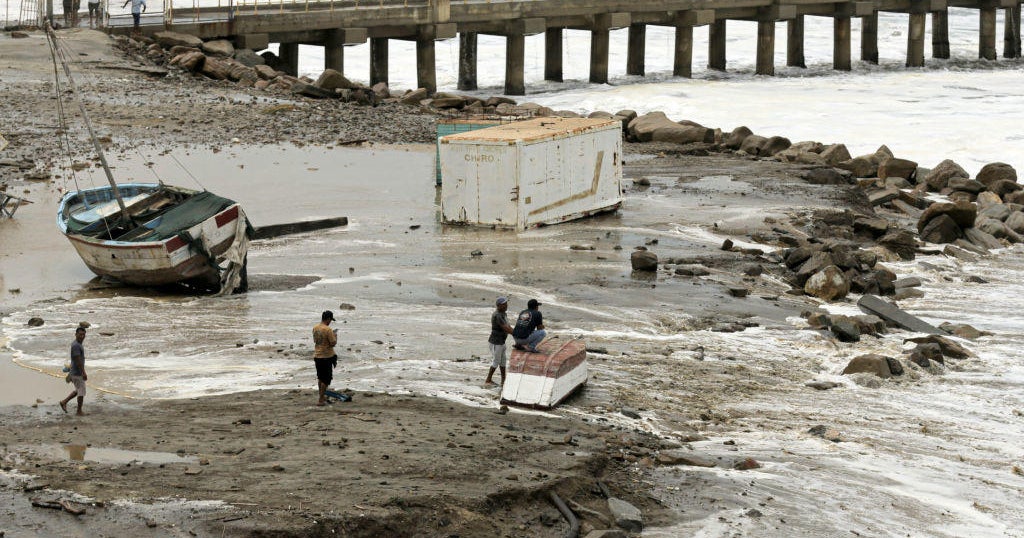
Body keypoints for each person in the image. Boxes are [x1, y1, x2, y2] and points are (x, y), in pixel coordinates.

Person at [59, 327, 88, 416]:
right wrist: (83, 372)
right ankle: (79, 411)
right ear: (75, 334)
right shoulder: (76, 345)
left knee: (78, 390)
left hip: (74, 371)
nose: (82, 336)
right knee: (81, 391)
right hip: (77, 372)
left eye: (83, 335)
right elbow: (78, 360)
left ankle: (64, 402)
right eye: (80, 334)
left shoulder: (77, 344)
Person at [485, 297, 513, 386]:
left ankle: (503, 381)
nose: (506, 305)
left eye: (506, 304)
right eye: (504, 304)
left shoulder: (503, 314)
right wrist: (517, 334)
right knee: (496, 361)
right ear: (499, 306)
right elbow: (505, 328)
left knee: (503, 361)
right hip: (495, 342)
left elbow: (508, 326)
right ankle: (488, 380)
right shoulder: (498, 315)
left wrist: (516, 332)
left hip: (501, 342)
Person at [312, 310, 338, 406]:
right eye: (330, 319)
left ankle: (321, 396)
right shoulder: (328, 330)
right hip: (326, 356)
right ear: (328, 319)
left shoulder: (315, 328)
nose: (330, 321)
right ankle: (321, 399)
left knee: (320, 377)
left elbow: (315, 340)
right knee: (326, 379)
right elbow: (333, 343)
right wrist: (335, 336)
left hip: (317, 355)